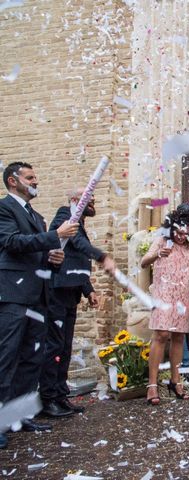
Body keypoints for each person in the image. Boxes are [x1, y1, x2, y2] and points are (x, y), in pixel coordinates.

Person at [0, 162, 78, 449]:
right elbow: (12, 243)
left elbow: (35, 252)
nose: (36, 181)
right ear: (13, 181)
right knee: (6, 357)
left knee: (31, 358)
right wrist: (55, 236)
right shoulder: (4, 208)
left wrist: (51, 259)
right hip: (13, 295)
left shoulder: (37, 215)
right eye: (30, 177)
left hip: (38, 296)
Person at [39, 187, 115, 418]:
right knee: (54, 346)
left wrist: (88, 289)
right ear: (75, 201)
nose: (94, 204)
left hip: (70, 293)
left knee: (64, 346)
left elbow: (75, 260)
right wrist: (102, 256)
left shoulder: (79, 223)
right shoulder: (65, 216)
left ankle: (60, 395)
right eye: (90, 201)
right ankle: (48, 398)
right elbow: (78, 244)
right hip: (56, 292)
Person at [141, 204, 189, 405]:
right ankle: (152, 385)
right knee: (161, 335)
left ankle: (175, 381)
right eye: (178, 232)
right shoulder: (162, 241)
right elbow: (143, 261)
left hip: (182, 296)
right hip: (164, 295)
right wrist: (158, 254)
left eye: (185, 234)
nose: (181, 237)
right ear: (171, 227)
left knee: (178, 337)